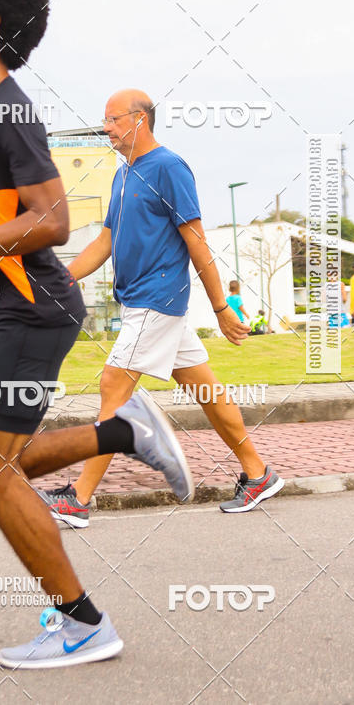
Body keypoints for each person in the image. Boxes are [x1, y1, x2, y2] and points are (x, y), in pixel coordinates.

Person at [0, 0, 194, 669]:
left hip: (33, 311)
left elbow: (55, 219)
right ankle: (119, 431)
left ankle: (83, 623)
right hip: (4, 312)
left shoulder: (7, 110)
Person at [40, 89, 284, 528]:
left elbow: (196, 240)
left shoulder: (169, 167)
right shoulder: (124, 173)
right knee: (206, 390)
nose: (106, 128)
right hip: (140, 302)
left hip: (159, 300)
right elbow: (106, 241)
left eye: (113, 119)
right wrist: (65, 278)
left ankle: (78, 499)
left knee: (114, 386)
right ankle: (258, 473)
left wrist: (222, 306)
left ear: (139, 120)